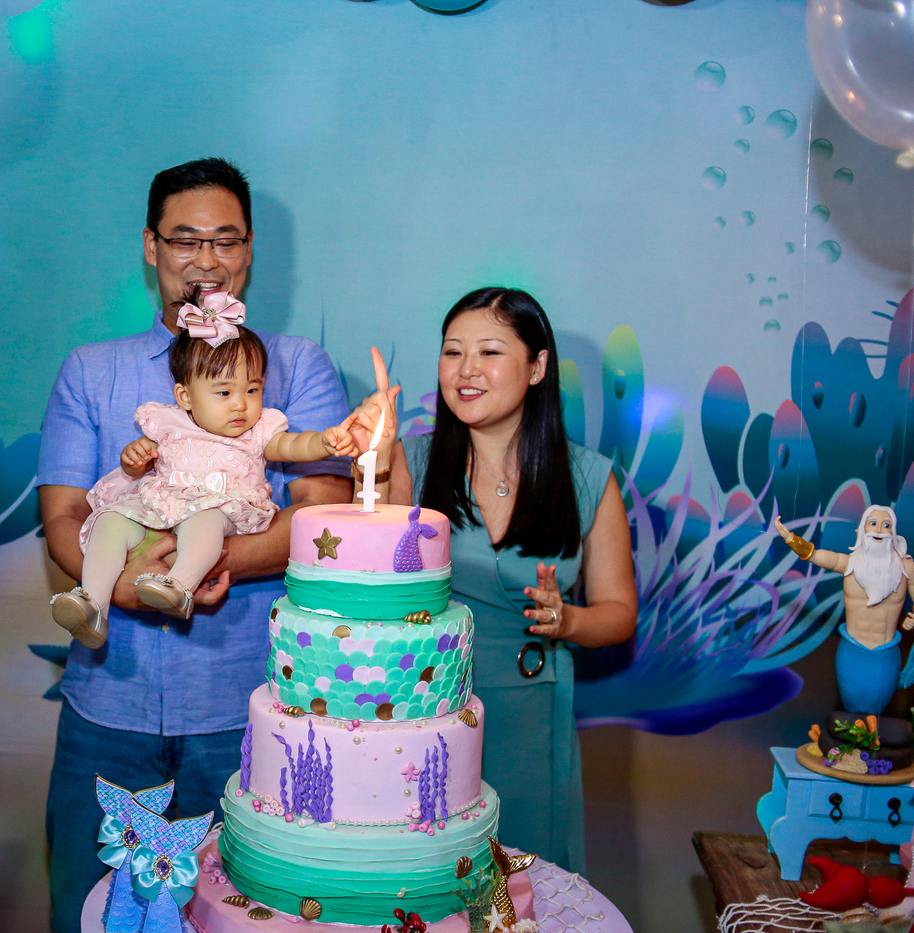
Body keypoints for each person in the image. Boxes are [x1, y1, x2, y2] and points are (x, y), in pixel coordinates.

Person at [38, 157, 351, 933]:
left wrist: (208, 560)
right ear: (151, 247)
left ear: (249, 250)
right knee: (91, 912)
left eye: (225, 240)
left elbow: (322, 515)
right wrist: (122, 582)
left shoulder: (296, 367)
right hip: (106, 707)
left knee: (247, 917)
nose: (205, 259)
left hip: (247, 710)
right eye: (185, 240)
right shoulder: (91, 371)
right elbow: (63, 514)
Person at [347, 286, 636, 873]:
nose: (467, 370)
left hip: (534, 714)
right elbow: (365, 569)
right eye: (453, 352)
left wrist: (569, 621)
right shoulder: (411, 462)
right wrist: (371, 465)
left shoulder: (588, 477)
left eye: (490, 352)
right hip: (426, 708)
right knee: (428, 879)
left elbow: (618, 613)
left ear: (538, 366)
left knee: (526, 883)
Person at [49, 288, 357, 644]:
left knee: (204, 522)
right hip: (160, 506)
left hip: (221, 508)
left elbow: (292, 445)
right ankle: (93, 602)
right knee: (110, 521)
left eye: (252, 390)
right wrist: (133, 460)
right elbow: (140, 464)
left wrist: (323, 443)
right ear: (185, 396)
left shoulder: (259, 430)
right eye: (224, 393)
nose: (241, 405)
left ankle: (178, 585)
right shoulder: (168, 423)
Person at [774, 505, 914, 715]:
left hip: (885, 656)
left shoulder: (906, 569)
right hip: (851, 652)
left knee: (876, 716)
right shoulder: (848, 564)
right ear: (862, 530)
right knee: (851, 715)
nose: (879, 530)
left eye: (886, 525)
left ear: (893, 533)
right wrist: (790, 539)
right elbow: (814, 555)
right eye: (873, 523)